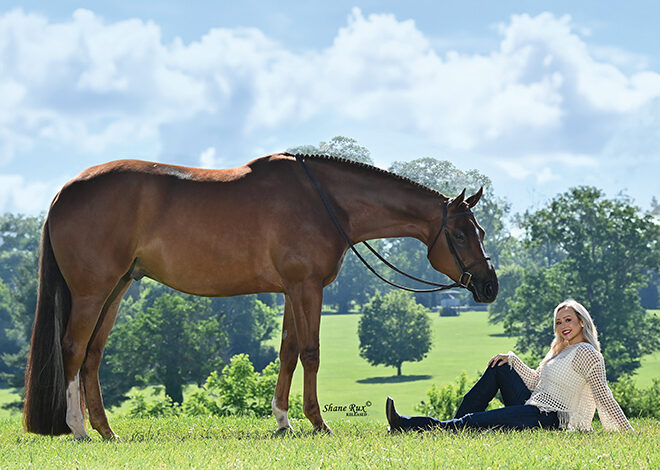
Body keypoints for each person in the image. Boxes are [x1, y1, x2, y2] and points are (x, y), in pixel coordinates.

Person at [385, 299, 633, 432]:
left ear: (581, 322)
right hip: (533, 405)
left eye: (568, 320)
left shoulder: (587, 353)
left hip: (552, 420)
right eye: (558, 322)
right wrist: (513, 360)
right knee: (499, 366)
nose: (562, 326)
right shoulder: (560, 350)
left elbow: (604, 395)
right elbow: (536, 381)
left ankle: (408, 425)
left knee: (476, 421)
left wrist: (628, 431)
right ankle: (453, 427)